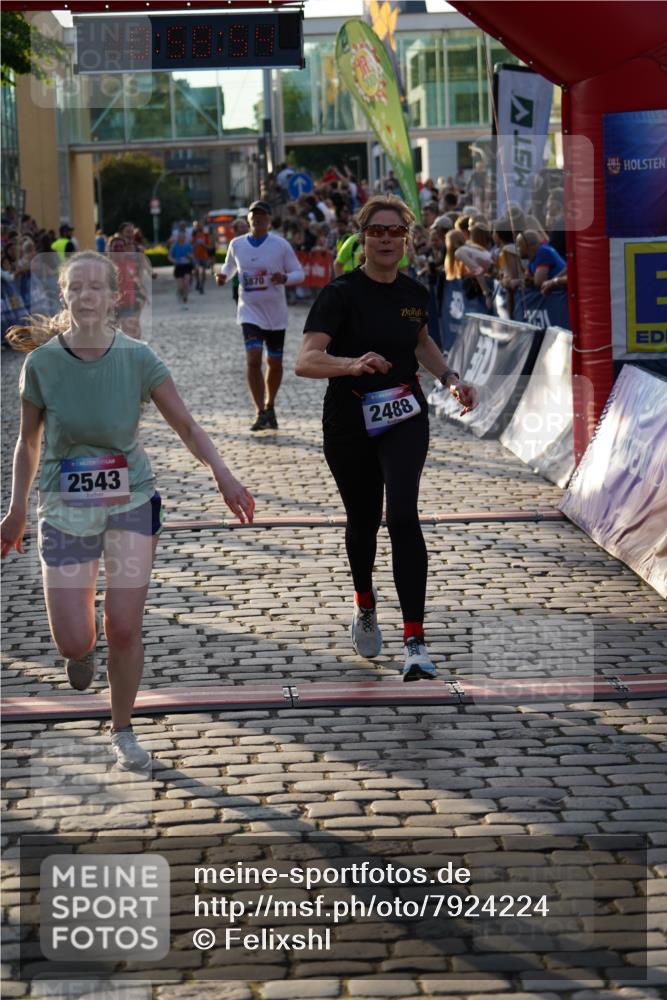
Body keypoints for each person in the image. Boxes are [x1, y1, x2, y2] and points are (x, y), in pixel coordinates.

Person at [0, 251, 254, 771]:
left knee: (122, 626)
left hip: (131, 500)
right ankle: (82, 651)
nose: (86, 295)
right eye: (76, 287)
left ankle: (123, 729)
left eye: (97, 287)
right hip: (64, 507)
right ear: (65, 295)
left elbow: (188, 426)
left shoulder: (139, 358)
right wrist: (16, 508)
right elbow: (28, 443)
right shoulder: (42, 364)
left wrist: (223, 474)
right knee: (73, 639)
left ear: (115, 297)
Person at [295, 195, 475, 681]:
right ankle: (365, 602)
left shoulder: (415, 293)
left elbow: (421, 342)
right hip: (348, 420)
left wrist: (450, 378)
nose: (387, 239)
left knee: (402, 516)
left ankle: (415, 640)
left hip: (403, 415)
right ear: (362, 238)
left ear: (407, 239)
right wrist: (352, 363)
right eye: (377, 231)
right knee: (363, 521)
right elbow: (306, 360)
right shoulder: (339, 294)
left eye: (396, 231)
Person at [215, 200, 304, 432]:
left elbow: (299, 273)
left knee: (274, 362)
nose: (258, 219)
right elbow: (229, 267)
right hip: (249, 312)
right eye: (254, 215)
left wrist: (284, 278)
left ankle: (270, 404)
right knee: (253, 359)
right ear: (248, 220)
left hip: (275, 315)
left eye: (262, 215)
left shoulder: (280, 245)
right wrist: (223, 276)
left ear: (269, 220)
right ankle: (259, 411)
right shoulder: (237, 244)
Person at [168, 226, 194, 307]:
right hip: (178, 267)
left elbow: (193, 256)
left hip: (187, 266)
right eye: (180, 237)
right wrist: (174, 260)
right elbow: (169, 256)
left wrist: (189, 256)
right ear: (178, 238)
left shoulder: (188, 246)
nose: (181, 238)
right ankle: (180, 293)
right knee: (181, 286)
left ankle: (185, 301)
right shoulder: (174, 246)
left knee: (186, 284)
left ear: (185, 238)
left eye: (183, 237)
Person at [192, 221, 213, 295]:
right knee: (196, 269)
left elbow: (209, 247)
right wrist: (196, 245)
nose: (199, 227)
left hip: (204, 256)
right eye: (197, 226)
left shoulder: (205, 235)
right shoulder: (193, 235)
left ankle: (202, 286)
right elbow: (190, 246)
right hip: (196, 256)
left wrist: (203, 244)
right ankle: (197, 281)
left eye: (200, 226)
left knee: (204, 272)